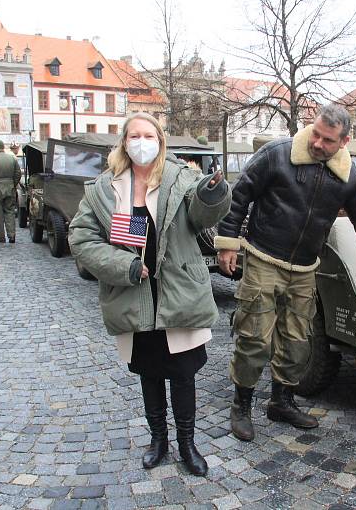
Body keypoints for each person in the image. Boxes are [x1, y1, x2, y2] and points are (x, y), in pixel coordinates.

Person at [216, 104, 356, 442]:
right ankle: (242, 405)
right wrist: (227, 243)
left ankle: (281, 401)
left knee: (298, 341)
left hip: (305, 268)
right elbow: (239, 195)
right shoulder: (277, 155)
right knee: (254, 337)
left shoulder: (349, 176)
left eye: (328, 140)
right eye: (316, 134)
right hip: (263, 257)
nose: (318, 143)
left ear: (344, 141)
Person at [69, 112, 231, 476]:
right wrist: (121, 266)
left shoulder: (181, 178)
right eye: (135, 136)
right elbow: (81, 239)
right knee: (150, 374)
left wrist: (214, 191)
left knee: (184, 374)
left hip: (179, 295)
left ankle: (188, 444)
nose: (142, 142)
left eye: (149, 135)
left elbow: (203, 215)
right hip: (135, 296)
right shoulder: (104, 189)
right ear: (124, 143)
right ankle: (159, 440)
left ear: (160, 140)